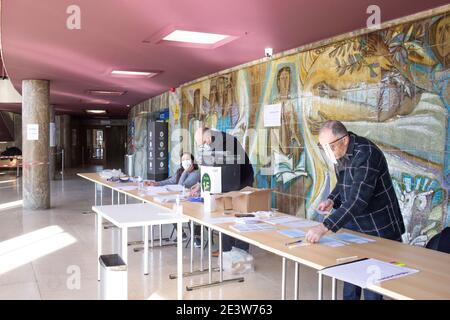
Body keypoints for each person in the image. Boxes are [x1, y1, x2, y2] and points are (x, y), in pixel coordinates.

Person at [305, 120, 405, 300]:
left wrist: (324, 227)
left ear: (344, 140)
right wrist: (331, 199)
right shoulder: (339, 151)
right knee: (350, 275)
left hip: (378, 228)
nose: (328, 152)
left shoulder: (367, 154)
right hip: (355, 225)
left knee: (371, 284)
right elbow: (343, 182)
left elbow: (358, 200)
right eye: (323, 147)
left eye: (330, 147)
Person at [194, 127, 254, 256]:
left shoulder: (227, 142)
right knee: (224, 215)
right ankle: (226, 249)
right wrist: (200, 184)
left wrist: (216, 188)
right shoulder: (215, 142)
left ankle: (240, 250)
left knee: (239, 216)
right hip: (229, 181)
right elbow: (208, 166)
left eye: (204, 142)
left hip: (241, 181)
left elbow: (229, 169)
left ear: (208, 136)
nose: (205, 145)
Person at [146, 152, 200, 241]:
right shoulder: (180, 171)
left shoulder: (196, 173)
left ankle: (197, 237)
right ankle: (181, 233)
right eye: (183, 160)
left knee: (176, 209)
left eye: (187, 159)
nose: (185, 161)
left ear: (193, 161)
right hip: (180, 200)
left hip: (190, 202)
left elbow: (181, 186)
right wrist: (156, 184)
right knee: (169, 208)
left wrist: (185, 171)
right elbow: (170, 181)